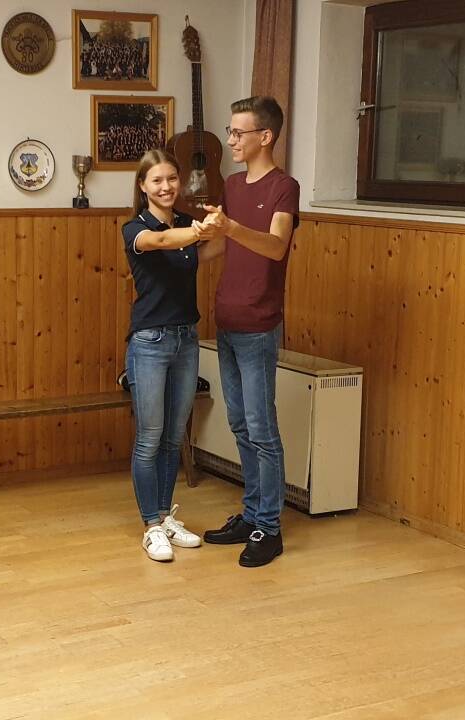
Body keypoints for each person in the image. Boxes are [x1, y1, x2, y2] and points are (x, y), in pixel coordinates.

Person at [199, 95, 300, 568]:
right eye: (230, 130)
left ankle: (270, 528)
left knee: (262, 430)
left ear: (266, 136)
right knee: (240, 423)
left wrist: (232, 227)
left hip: (260, 324)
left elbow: (276, 246)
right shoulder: (233, 185)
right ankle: (252, 512)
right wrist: (170, 253)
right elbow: (217, 245)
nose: (231, 139)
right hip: (227, 319)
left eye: (239, 133)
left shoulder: (284, 188)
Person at [120, 148, 222, 562]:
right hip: (149, 342)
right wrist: (202, 231)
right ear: (143, 186)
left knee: (172, 437)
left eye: (172, 179)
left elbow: (206, 253)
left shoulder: (186, 225)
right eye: (157, 181)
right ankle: (149, 526)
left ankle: (164, 517)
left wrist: (222, 229)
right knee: (149, 437)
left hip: (185, 339)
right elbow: (163, 241)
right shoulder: (136, 228)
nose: (166, 187)